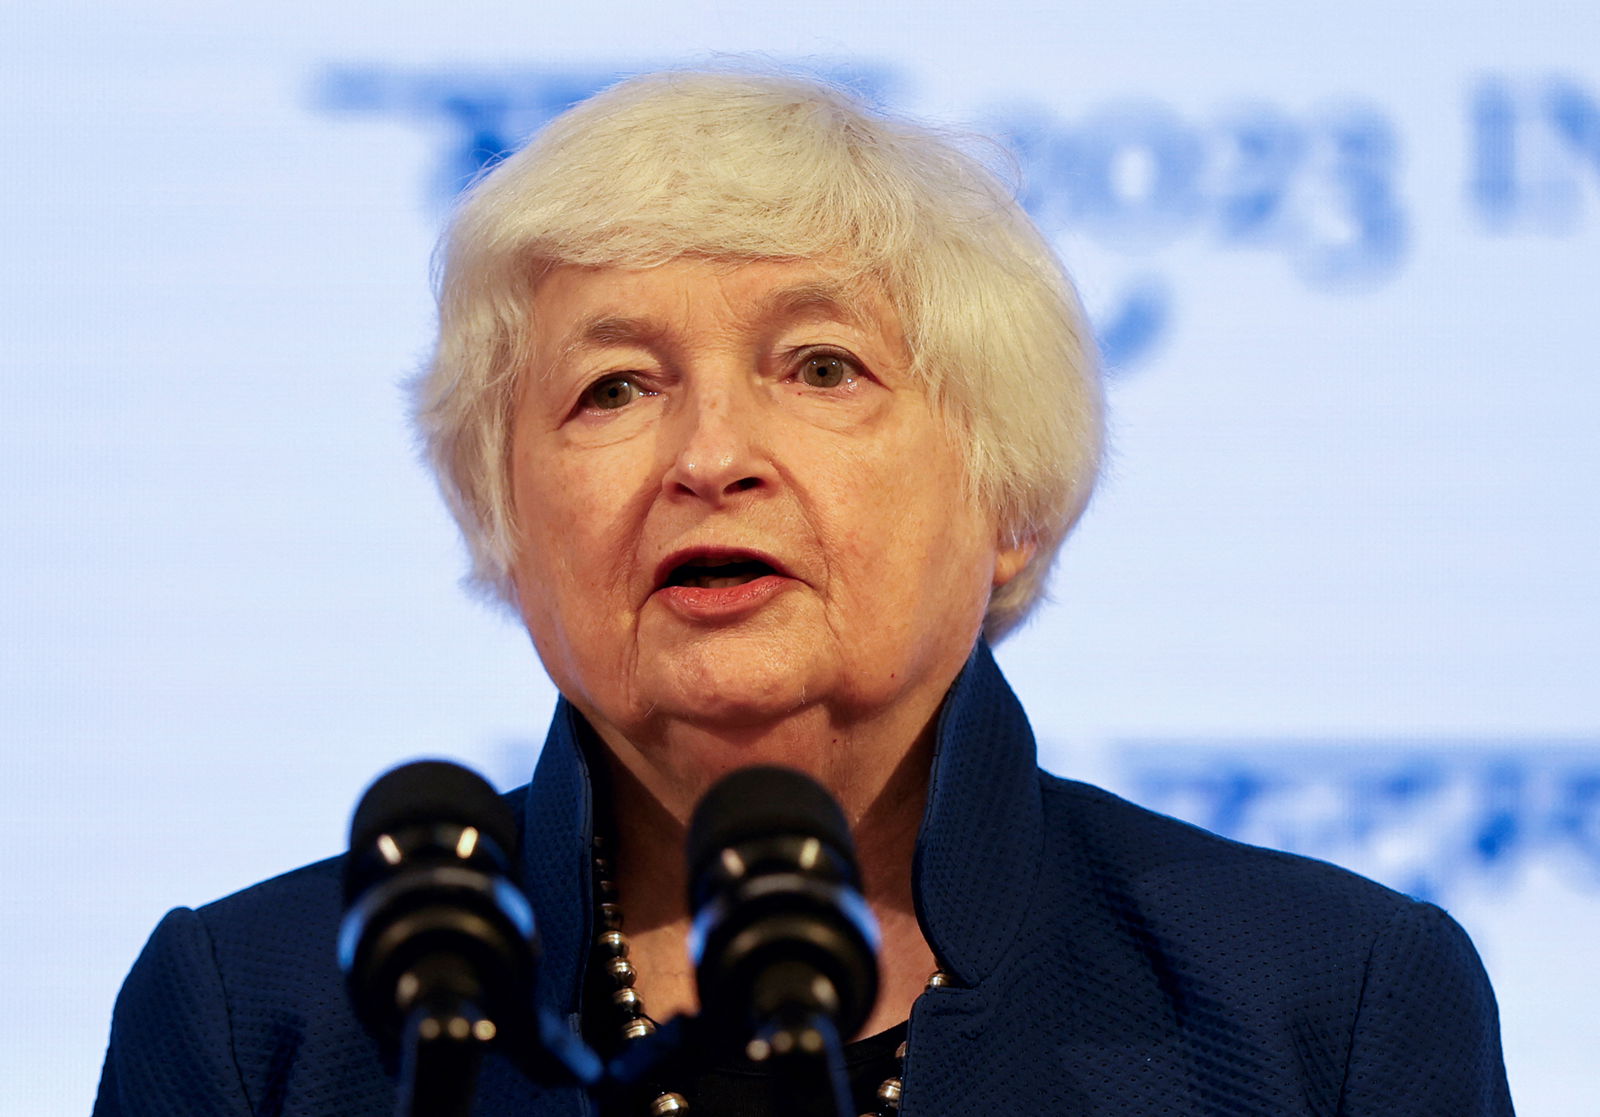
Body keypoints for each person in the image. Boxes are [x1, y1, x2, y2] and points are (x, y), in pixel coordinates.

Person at [94, 70, 1514, 1116]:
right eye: (613, 388)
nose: (710, 457)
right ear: (510, 530)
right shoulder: (262, 1022)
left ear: (1008, 504)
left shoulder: (1322, 1006)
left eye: (821, 366)